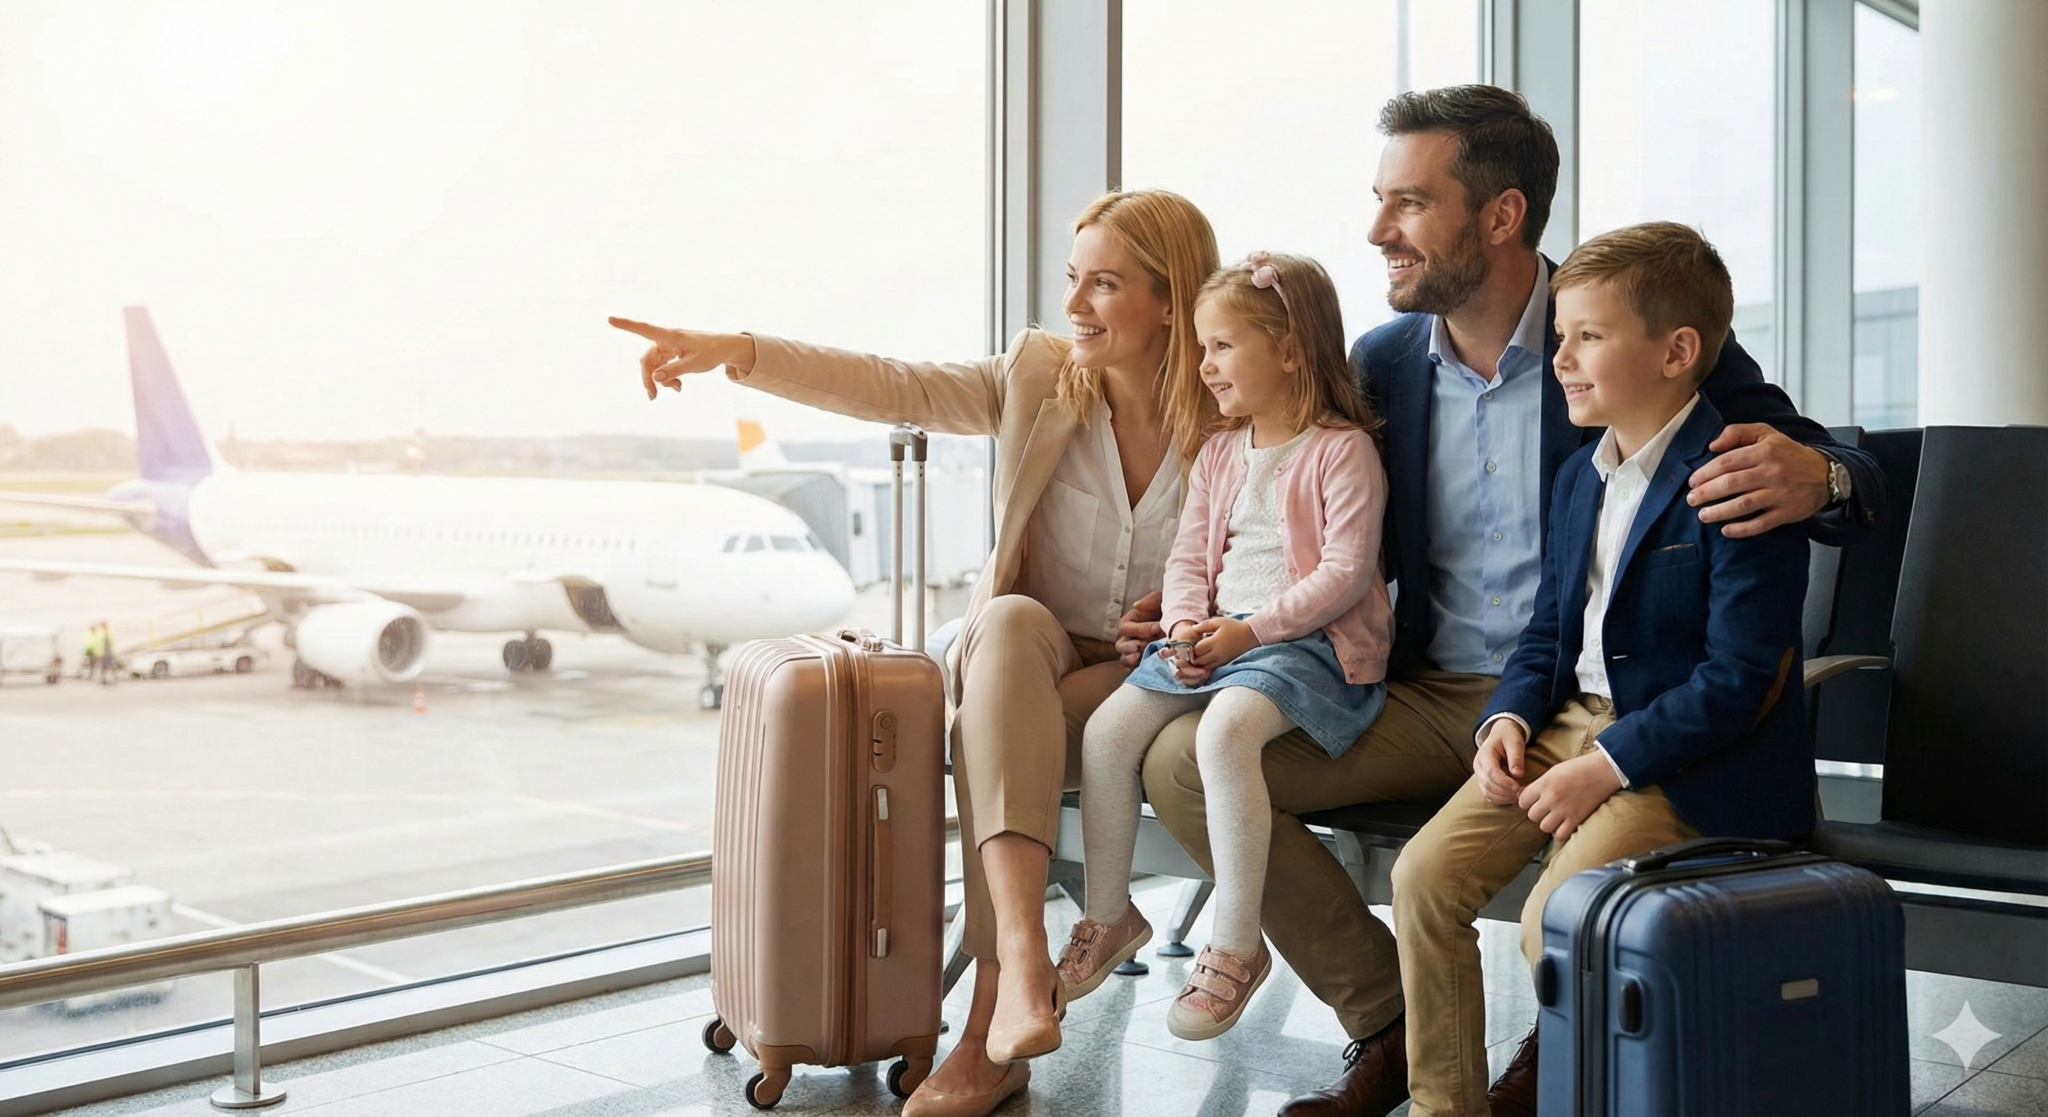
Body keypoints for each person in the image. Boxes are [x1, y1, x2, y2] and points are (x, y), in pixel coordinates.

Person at [1129, 86, 1883, 1117]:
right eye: (1376, 200)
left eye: (1405, 202)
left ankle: (1546, 1060)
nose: (1374, 230)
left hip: (1606, 702)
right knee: (1182, 759)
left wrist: (1826, 479)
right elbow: (1309, 514)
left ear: (1499, 215)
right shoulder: (1385, 362)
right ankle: (1389, 1021)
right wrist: (1197, 611)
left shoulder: (1621, 336)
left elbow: (1818, 461)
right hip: (1441, 692)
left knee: (1545, 897)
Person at [610, 189, 1220, 1117]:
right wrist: (740, 350)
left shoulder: (1227, 404)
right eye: (1072, 279)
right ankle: (1021, 961)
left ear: (1172, 301)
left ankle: (985, 1033)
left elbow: (1276, 538)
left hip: (1162, 672)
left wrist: (1189, 616)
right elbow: (895, 383)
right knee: (1007, 624)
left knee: (986, 732)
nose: (1076, 305)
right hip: (1044, 656)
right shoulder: (1038, 375)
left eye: (1105, 284)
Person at [1392, 221, 1816, 1117]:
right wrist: (1505, 719)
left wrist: (1607, 764)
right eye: (1559, 338)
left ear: (1678, 351)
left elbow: (1739, 678)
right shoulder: (1580, 475)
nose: (1561, 361)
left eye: (1588, 337)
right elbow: (1547, 632)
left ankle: (1578, 1097)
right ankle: (1444, 1104)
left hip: (1687, 758)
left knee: (1558, 920)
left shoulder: (1737, 475)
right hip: (1563, 728)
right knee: (1422, 880)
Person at [1057, 253, 1391, 1043]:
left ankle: (1237, 940)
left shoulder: (1343, 450)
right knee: (1108, 732)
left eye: (1222, 347)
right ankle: (1109, 915)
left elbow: (1344, 573)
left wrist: (1250, 629)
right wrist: (1181, 627)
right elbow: (1188, 558)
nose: (1204, 366)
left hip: (1302, 645)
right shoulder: (1218, 452)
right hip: (1213, 638)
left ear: (1291, 351)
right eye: (1202, 348)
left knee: (1224, 732)